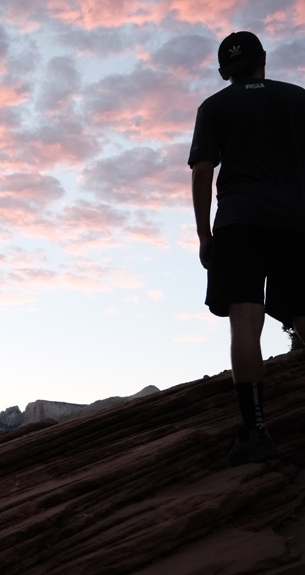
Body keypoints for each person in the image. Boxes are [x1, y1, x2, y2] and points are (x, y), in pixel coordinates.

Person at [188, 31, 305, 466]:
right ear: (264, 61)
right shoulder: (298, 100)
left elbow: (202, 172)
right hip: (296, 221)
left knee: (245, 319)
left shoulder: (215, 106)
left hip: (239, 221)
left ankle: (255, 431)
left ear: (224, 71)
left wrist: (204, 236)